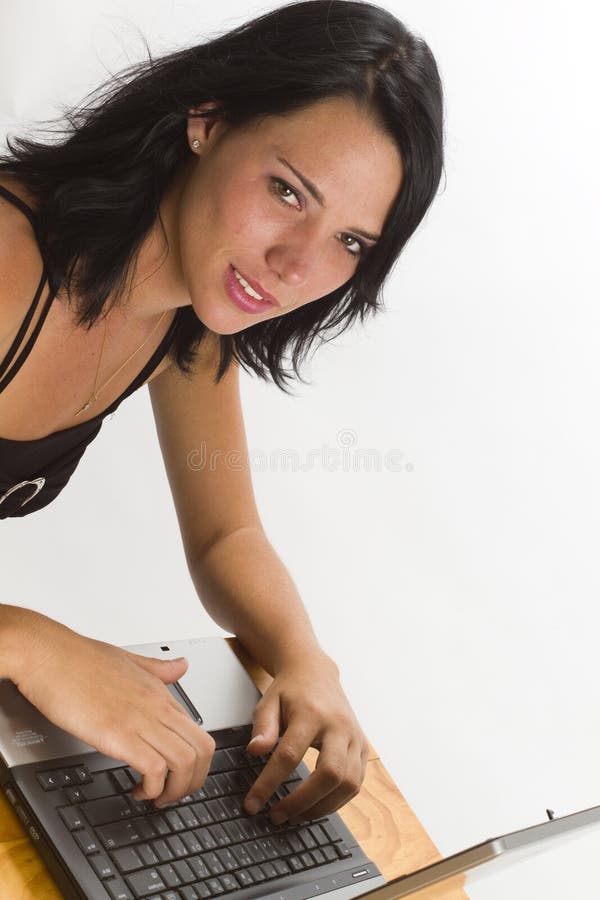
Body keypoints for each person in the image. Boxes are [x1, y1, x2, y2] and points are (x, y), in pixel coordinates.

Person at [0, 0, 444, 826]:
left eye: (350, 242)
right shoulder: (7, 266)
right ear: (206, 120)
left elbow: (224, 535)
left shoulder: (188, 324)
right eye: (287, 191)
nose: (294, 266)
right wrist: (24, 638)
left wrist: (307, 661)